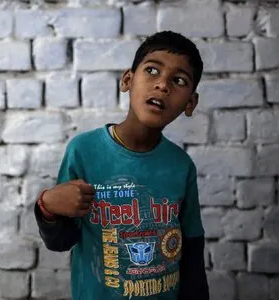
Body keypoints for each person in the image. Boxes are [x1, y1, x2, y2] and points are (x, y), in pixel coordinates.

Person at [34, 31, 210, 300]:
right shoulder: (83, 151)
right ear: (127, 80)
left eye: (178, 80)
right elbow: (61, 241)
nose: (162, 85)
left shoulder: (181, 166)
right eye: (152, 70)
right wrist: (47, 206)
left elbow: (192, 255)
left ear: (190, 103)